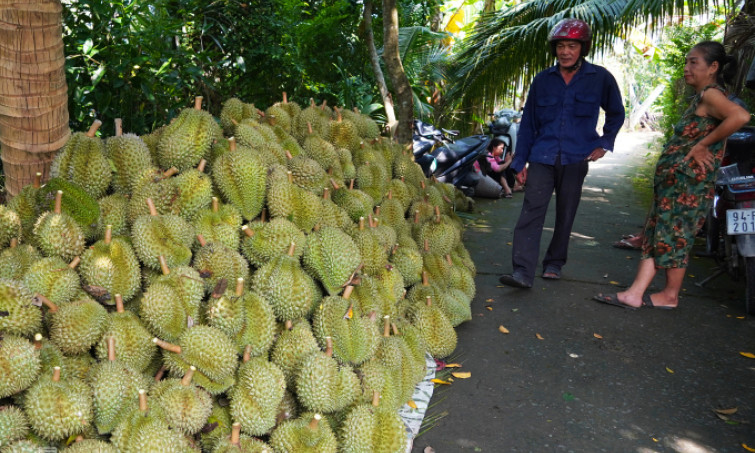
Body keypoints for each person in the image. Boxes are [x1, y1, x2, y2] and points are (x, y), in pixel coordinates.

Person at [594, 41, 750, 309]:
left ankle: (669, 295)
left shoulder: (711, 94)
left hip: (688, 185)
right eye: (687, 61)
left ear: (713, 67)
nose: (687, 68)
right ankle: (636, 292)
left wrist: (702, 144)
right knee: (659, 232)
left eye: (694, 62)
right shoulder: (704, 95)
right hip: (675, 184)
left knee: (674, 235)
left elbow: (740, 116)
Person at [498, 18, 625, 288]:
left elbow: (616, 112)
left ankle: (554, 263)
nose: (565, 51)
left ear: (583, 48)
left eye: (572, 46)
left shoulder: (599, 78)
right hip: (542, 156)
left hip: (576, 157)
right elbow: (529, 124)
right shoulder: (543, 80)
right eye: (560, 46)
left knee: (566, 212)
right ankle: (522, 271)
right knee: (531, 210)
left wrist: (605, 143)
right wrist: (519, 161)